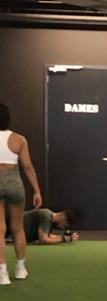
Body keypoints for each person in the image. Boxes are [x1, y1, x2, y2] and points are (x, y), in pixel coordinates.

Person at [0, 102, 42, 285]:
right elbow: (27, 166)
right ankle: (20, 269)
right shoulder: (19, 139)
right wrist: (36, 190)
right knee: (18, 228)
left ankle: (2, 274)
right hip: (14, 183)